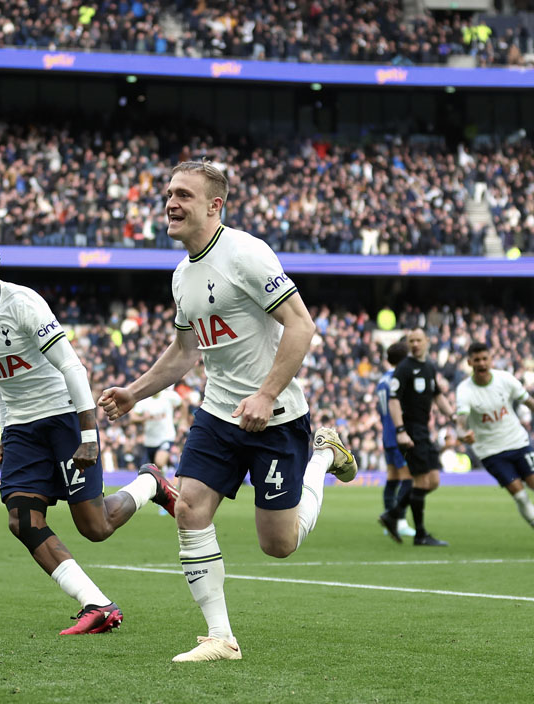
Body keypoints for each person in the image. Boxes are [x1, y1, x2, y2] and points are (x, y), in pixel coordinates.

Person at [98, 160, 358, 663]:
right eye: (169, 193)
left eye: (184, 195)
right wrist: (135, 391)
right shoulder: (181, 275)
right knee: (189, 507)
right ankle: (221, 637)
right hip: (218, 415)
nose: (170, 203)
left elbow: (301, 327)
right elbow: (183, 352)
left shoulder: (246, 254)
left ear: (215, 205)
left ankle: (323, 455)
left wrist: (265, 394)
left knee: (277, 545)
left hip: (275, 416)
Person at [0, 231, 178, 635]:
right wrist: (4, 429)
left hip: (64, 416)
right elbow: (2, 379)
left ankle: (148, 483)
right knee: (22, 520)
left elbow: (72, 367)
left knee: (96, 527)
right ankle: (98, 604)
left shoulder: (24, 304)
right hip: (21, 426)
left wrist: (88, 436)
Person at [378, 328, 455, 547]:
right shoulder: (404, 368)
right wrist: (401, 430)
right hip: (411, 429)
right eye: (411, 340)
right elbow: (394, 400)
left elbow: (437, 395)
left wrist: (452, 415)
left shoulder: (429, 366)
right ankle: (420, 534)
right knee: (420, 479)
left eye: (418, 340)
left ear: (427, 342)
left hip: (423, 429)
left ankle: (393, 513)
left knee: (433, 481)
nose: (414, 344)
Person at [455, 341, 534, 529]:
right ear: (469, 363)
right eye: (477, 360)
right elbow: (460, 424)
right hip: (490, 451)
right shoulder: (464, 390)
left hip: (518, 441)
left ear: (491, 360)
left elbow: (528, 401)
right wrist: (462, 435)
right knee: (520, 495)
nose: (481, 363)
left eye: (485, 359)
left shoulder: (505, 379)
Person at [375, 341, 416, 540]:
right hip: (399, 435)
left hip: (387, 436)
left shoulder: (382, 380)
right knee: (410, 480)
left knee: (392, 480)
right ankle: (397, 521)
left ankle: (389, 522)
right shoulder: (400, 379)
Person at [131, 386, 186, 472]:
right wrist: (143, 418)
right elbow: (133, 418)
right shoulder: (143, 400)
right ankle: (161, 481)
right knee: (154, 468)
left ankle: (164, 475)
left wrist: (183, 421)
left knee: (159, 462)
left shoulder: (169, 396)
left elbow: (183, 404)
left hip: (166, 436)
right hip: (150, 440)